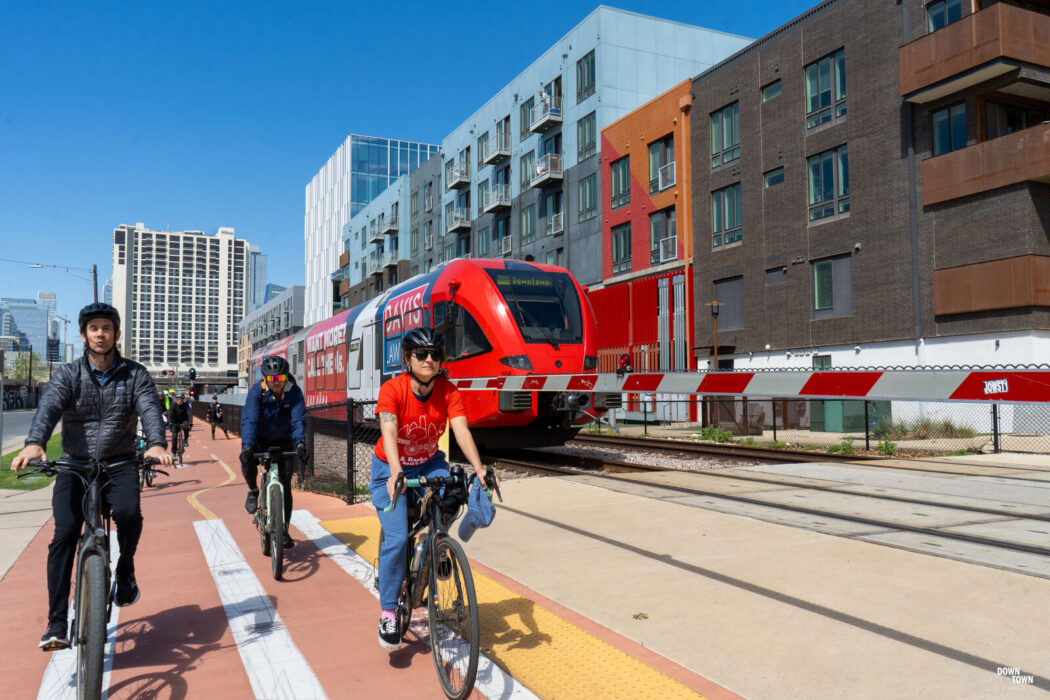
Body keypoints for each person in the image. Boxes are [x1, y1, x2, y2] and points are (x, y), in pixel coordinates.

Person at [12, 302, 172, 651]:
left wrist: (157, 443)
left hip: (120, 462)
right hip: (74, 464)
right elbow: (50, 406)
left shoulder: (135, 374)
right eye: (94, 328)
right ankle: (56, 622)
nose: (101, 334)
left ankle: (125, 571)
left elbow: (149, 407)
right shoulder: (68, 375)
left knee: (129, 515)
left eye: (107, 328)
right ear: (84, 335)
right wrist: (35, 442)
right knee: (65, 534)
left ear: (116, 334)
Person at [371, 327, 491, 650]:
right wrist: (396, 471)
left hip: (428, 462)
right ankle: (387, 613)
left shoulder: (448, 391)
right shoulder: (392, 389)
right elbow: (389, 429)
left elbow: (461, 432)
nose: (428, 359)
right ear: (408, 359)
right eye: (421, 354)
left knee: (454, 493)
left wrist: (478, 469)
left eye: (435, 355)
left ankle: (437, 541)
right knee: (396, 538)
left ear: (441, 361)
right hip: (390, 467)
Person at [240, 355, 308, 549]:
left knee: (285, 484)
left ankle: (284, 530)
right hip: (260, 438)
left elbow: (298, 420)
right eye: (271, 379)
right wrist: (247, 447)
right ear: (264, 378)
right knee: (247, 462)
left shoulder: (294, 392)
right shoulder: (256, 393)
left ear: (286, 377)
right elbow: (250, 419)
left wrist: (301, 443)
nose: (276, 383)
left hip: (284, 439)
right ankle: (253, 490)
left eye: (280, 378)